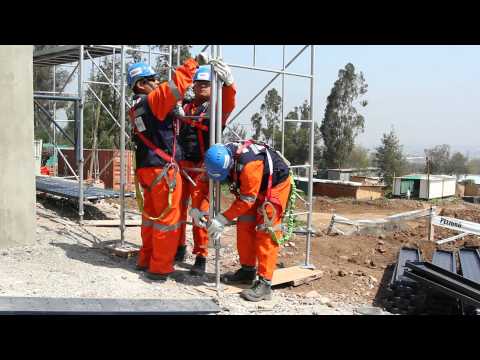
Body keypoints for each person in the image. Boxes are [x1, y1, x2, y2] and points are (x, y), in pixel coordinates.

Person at [127, 54, 207, 281]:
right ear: (141, 84)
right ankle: (160, 269)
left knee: (152, 218)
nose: (158, 83)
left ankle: (146, 260)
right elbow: (176, 85)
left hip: (147, 168)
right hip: (162, 170)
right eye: (152, 79)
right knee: (167, 222)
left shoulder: (137, 107)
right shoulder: (152, 101)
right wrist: (193, 65)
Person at [202, 141, 292, 301]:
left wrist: (223, 218)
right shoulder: (220, 155)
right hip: (254, 186)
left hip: (275, 185)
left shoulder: (250, 165)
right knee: (244, 224)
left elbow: (246, 200)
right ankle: (248, 270)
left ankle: (265, 284)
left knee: (266, 229)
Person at [175, 62, 236, 276]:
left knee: (199, 212)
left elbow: (229, 103)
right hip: (183, 164)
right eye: (198, 83)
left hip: (202, 166)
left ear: (213, 86)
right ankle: (179, 247)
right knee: (177, 209)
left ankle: (201, 255)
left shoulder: (216, 108)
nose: (201, 86)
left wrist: (229, 84)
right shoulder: (187, 106)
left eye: (206, 83)